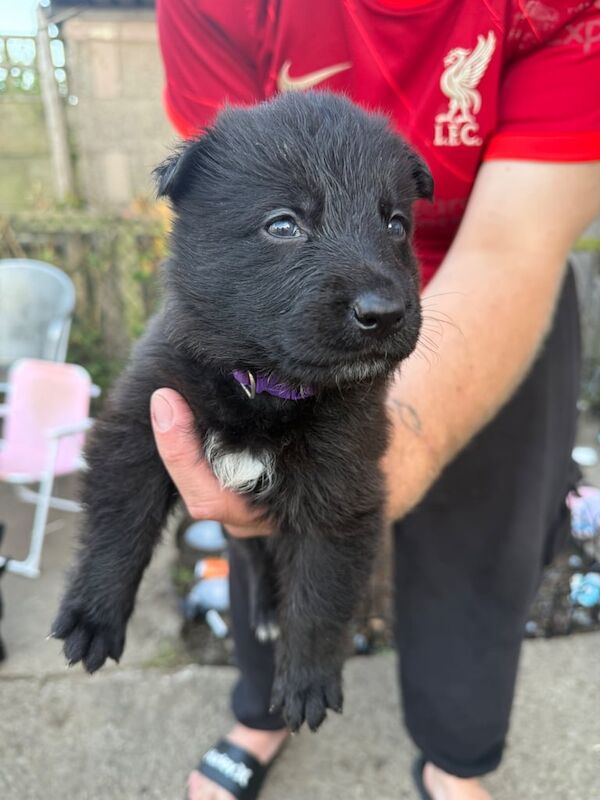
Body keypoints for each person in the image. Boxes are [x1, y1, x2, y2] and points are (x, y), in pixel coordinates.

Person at [152, 2, 600, 798]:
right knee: (262, 517)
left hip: (487, 290)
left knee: (484, 546)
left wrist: (394, 449)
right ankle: (265, 707)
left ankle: (455, 756)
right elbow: (220, 215)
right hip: (286, 322)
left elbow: (515, 242)